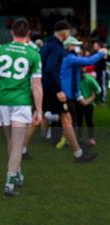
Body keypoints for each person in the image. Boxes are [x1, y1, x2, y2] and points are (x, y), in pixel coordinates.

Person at [0, 18, 43, 197]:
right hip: (21, 102)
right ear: (28, 33)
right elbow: (36, 85)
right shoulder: (33, 53)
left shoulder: (0, 50)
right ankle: (10, 182)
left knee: (11, 141)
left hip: (3, 101)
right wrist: (39, 109)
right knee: (17, 144)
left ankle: (17, 173)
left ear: (12, 32)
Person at [39, 21, 96, 162]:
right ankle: (78, 153)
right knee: (63, 118)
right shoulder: (57, 48)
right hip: (52, 89)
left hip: (45, 87)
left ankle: (78, 152)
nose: (69, 35)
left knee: (65, 118)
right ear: (64, 32)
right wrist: (59, 90)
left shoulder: (47, 45)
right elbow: (51, 69)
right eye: (69, 32)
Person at [59, 36, 106, 156]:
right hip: (67, 96)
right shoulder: (70, 58)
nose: (78, 47)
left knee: (71, 121)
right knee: (70, 121)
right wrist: (101, 53)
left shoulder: (69, 57)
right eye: (75, 45)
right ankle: (77, 149)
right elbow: (89, 61)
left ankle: (77, 147)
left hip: (70, 95)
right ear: (69, 46)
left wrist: (78, 95)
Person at [77, 67, 101, 146]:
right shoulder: (74, 79)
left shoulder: (88, 79)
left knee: (89, 121)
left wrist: (92, 98)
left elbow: (98, 89)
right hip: (78, 103)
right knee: (79, 121)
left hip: (88, 104)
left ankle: (91, 138)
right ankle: (79, 137)